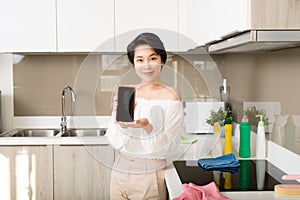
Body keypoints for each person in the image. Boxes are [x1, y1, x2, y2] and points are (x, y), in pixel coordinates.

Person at [106, 32, 184, 200]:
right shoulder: (127, 93)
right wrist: (118, 119)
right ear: (133, 63)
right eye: (139, 60)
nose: (146, 65)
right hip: (120, 169)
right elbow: (115, 141)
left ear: (162, 60)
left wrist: (148, 128)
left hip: (150, 174)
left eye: (152, 58)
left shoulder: (171, 96)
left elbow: (170, 146)